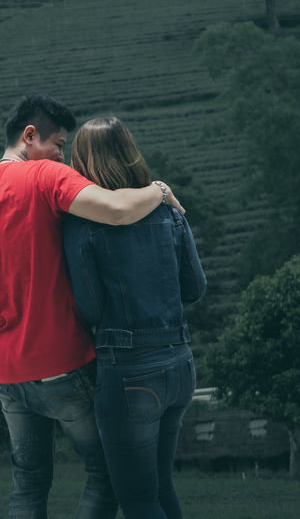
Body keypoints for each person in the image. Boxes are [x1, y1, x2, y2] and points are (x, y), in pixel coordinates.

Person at [0, 95, 184, 519]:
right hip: (64, 364)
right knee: (107, 474)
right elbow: (116, 211)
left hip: (10, 376)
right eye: (58, 143)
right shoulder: (45, 177)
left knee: (29, 484)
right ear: (29, 136)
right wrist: (158, 189)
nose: (63, 155)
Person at [63, 117, 206, 519]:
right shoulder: (169, 211)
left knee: (138, 501)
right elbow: (194, 288)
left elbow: (88, 308)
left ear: (84, 163)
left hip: (128, 373)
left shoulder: (82, 223)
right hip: (180, 364)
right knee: (161, 489)